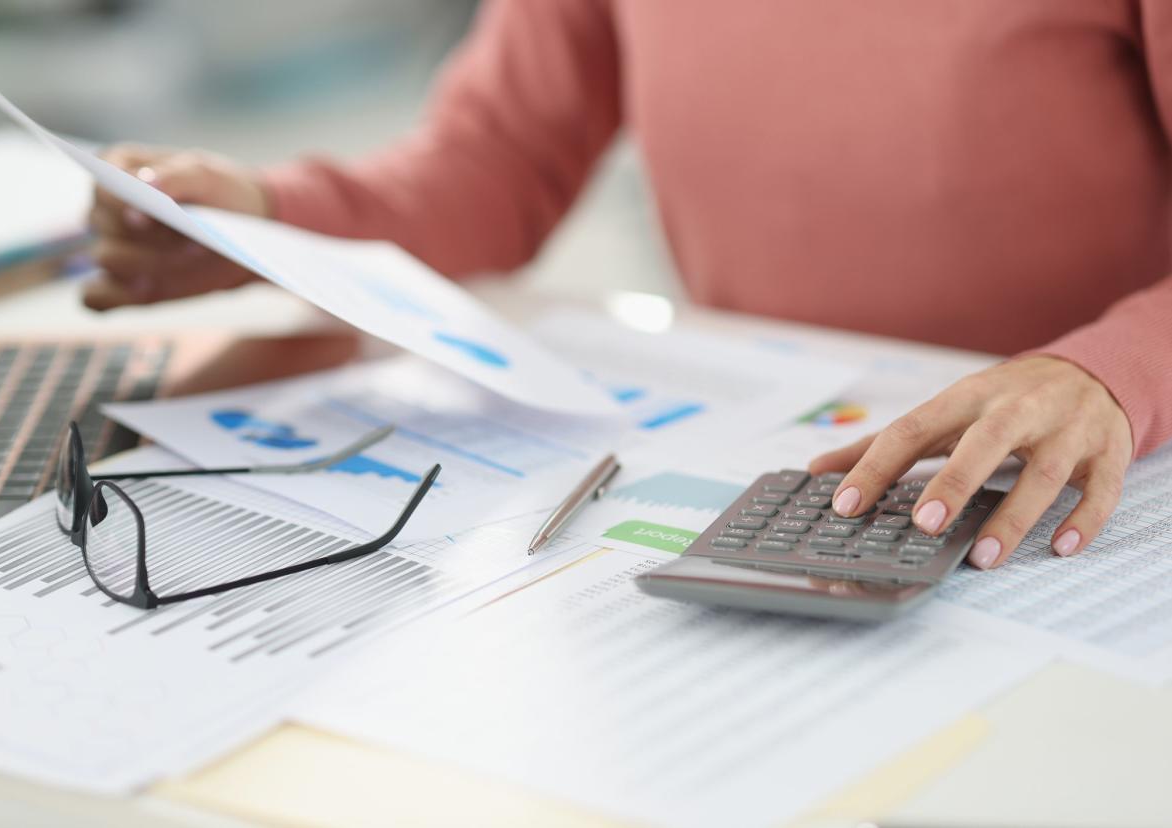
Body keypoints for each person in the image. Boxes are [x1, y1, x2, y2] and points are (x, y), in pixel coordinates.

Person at [86, 1, 1172, 571]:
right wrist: (264, 217)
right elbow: (497, 160)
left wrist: (1107, 372)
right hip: (778, 469)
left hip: (1079, 484)